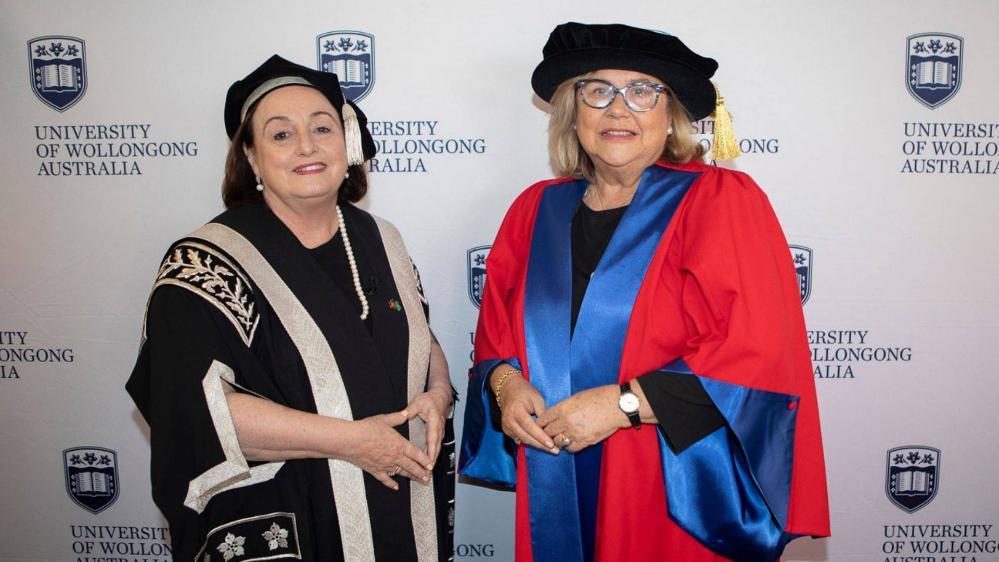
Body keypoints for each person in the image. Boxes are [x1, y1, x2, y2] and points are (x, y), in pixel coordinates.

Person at [459, 22, 829, 562]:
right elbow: (496, 332)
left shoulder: (720, 201)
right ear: (573, 109)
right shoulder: (534, 210)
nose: (617, 109)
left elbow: (759, 350)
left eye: (641, 91)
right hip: (555, 468)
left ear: (670, 113)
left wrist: (623, 404)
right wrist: (507, 384)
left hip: (668, 479)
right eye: (598, 90)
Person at [126, 55, 455, 562]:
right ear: (252, 159)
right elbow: (195, 410)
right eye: (280, 135)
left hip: (399, 505)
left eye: (322, 128)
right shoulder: (206, 262)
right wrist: (350, 442)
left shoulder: (380, 239)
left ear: (346, 144)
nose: (306, 145)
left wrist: (437, 393)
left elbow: (421, 338)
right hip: (295, 518)